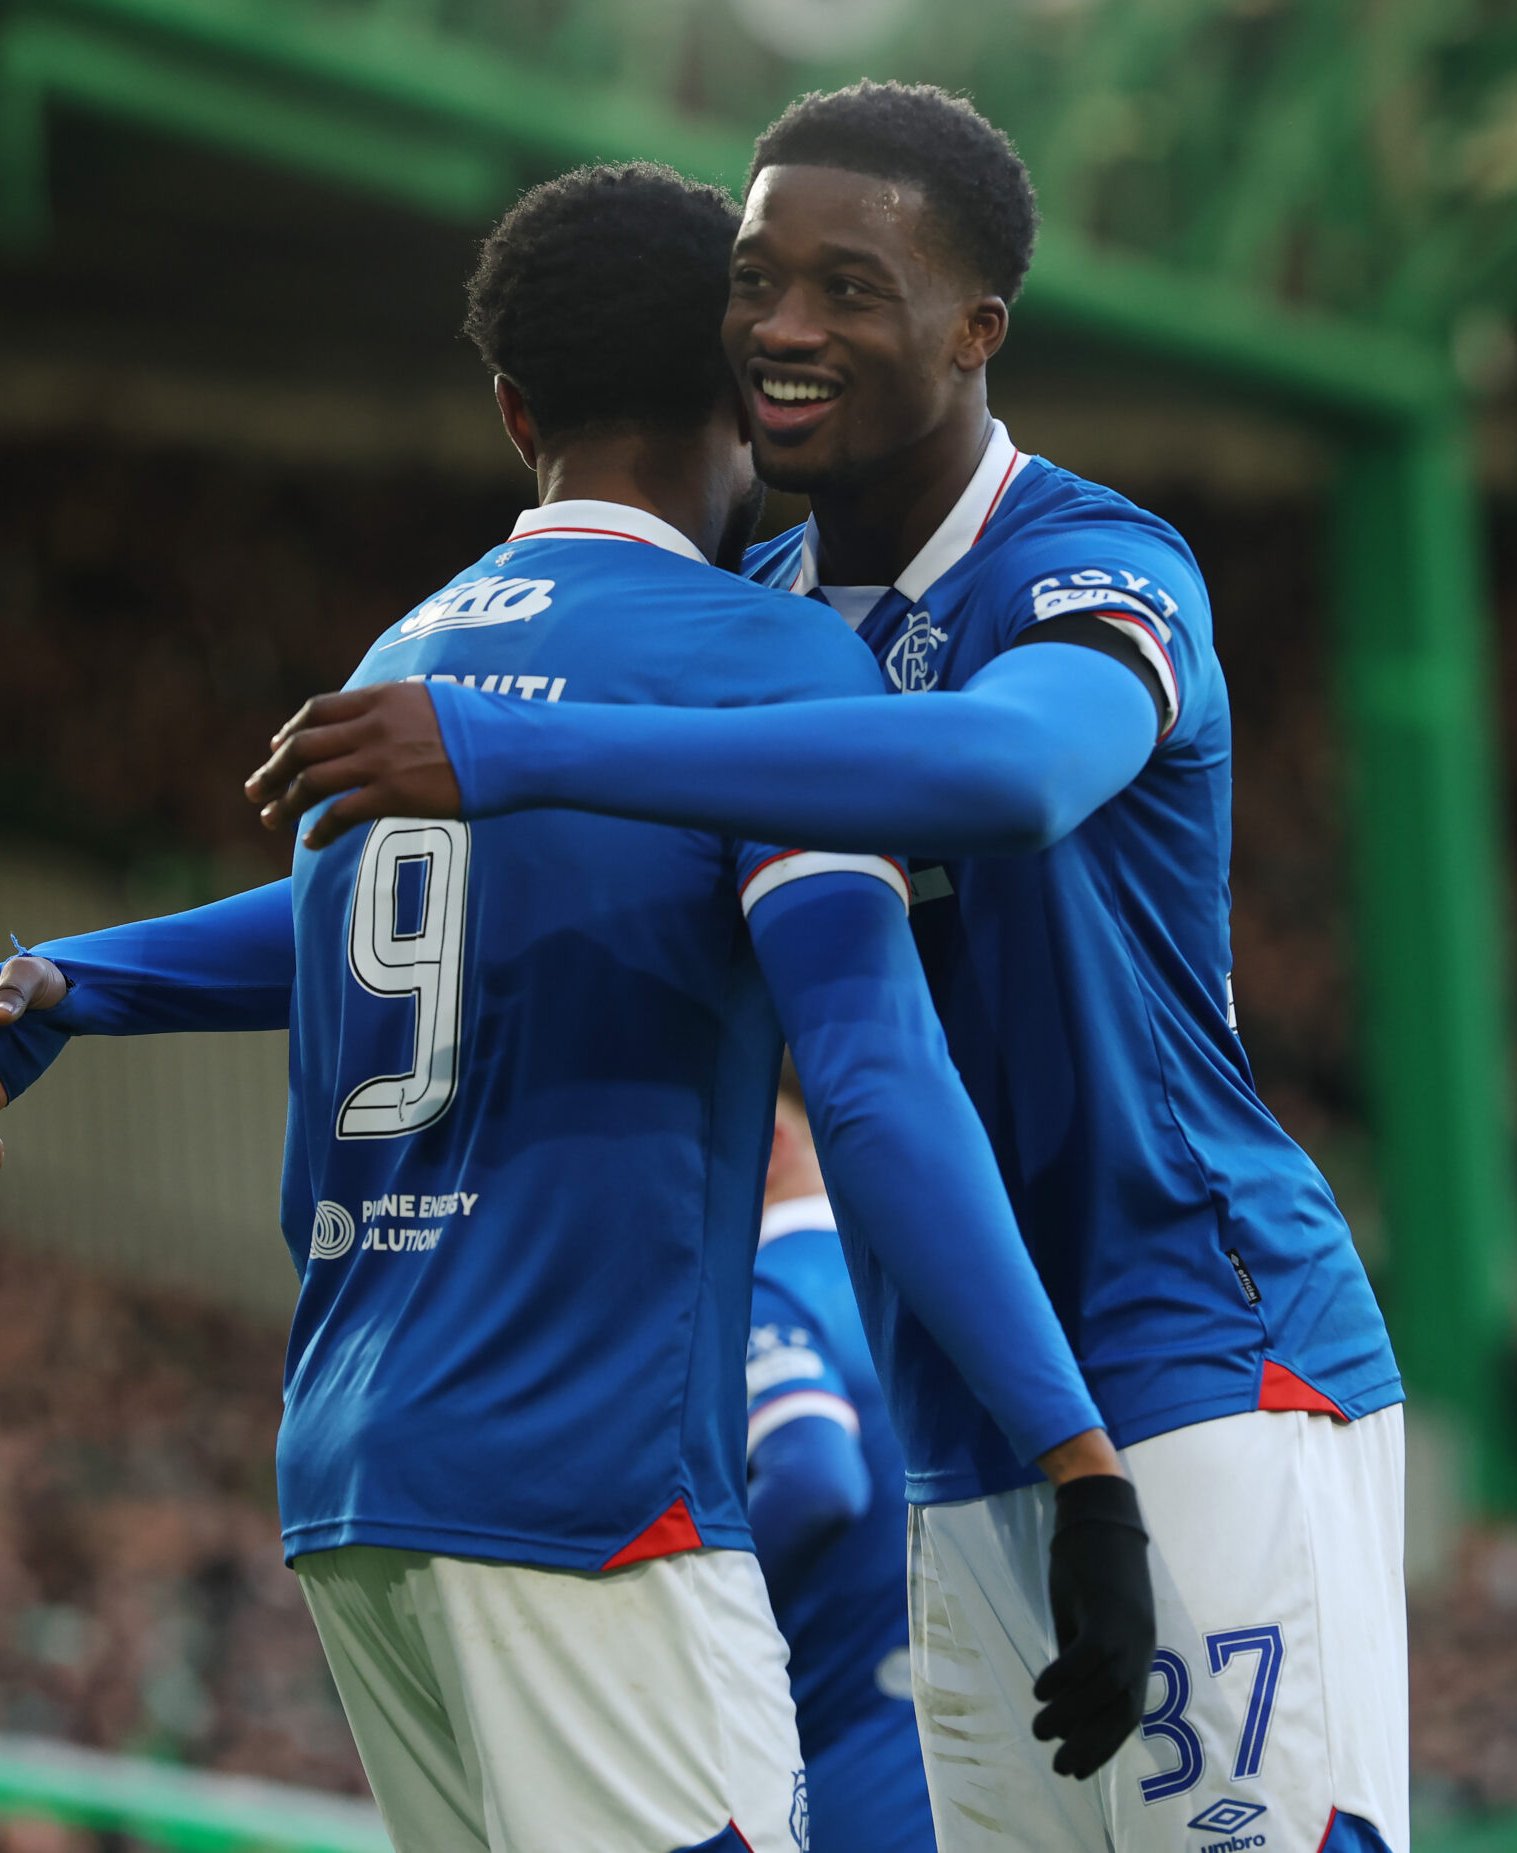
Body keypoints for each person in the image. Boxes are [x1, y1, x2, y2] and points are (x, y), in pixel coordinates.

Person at [0, 162, 1155, 1853]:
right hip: (588, 1489)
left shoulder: (398, 665)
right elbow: (869, 1082)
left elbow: (364, 916)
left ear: (514, 412)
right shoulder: (756, 664)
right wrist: (1076, 1454)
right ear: (751, 384)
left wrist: (73, 978)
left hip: (357, 1474)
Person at [251, 85, 1410, 1853]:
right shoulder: (776, 617)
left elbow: (1006, 776)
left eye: (851, 287)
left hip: (1197, 1341)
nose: (786, 326)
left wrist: (513, 739)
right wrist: (80, 981)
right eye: (756, 278)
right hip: (959, 1404)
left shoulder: (1093, 566)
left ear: (975, 329)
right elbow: (532, 889)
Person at [747, 1063, 934, 1853]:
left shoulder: (771, 1286)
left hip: (847, 1741)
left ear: (770, 1146)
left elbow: (812, 1478)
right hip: (980, 1728)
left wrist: (690, 1614)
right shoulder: (938, 1282)